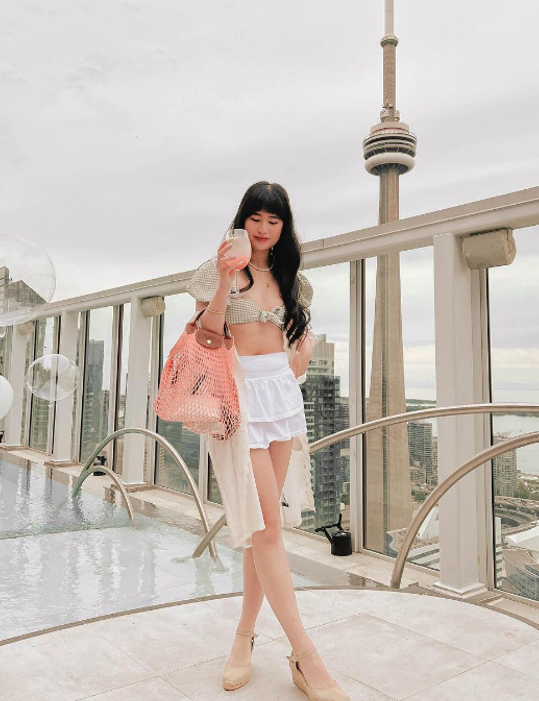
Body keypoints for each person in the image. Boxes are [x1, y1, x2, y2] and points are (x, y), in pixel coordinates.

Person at [186, 181, 347, 701]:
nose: (262, 228)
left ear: (284, 227)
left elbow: (293, 358)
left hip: (281, 396)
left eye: (273, 221)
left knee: (264, 530)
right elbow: (207, 335)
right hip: (238, 397)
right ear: (242, 220)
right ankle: (305, 654)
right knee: (268, 528)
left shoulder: (295, 281)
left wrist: (303, 351)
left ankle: (243, 637)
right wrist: (223, 279)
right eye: (255, 218)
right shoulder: (216, 271)